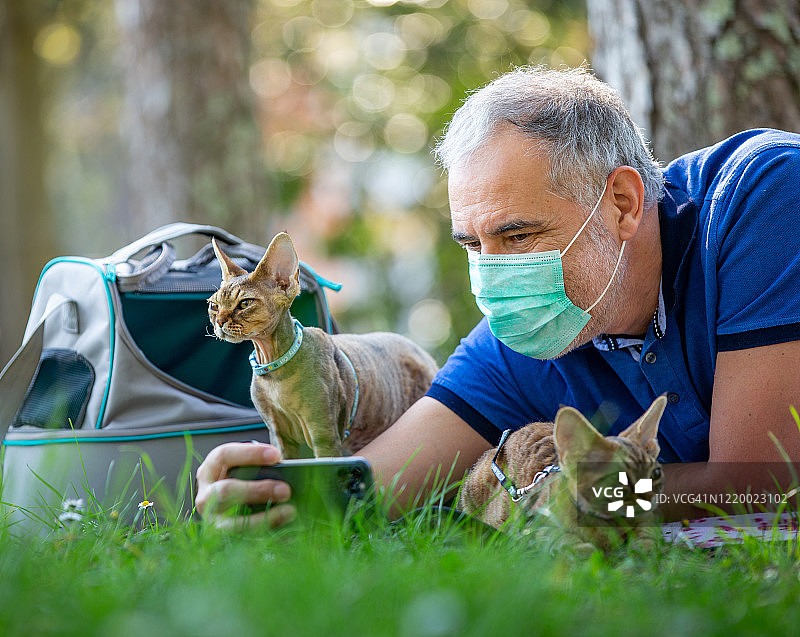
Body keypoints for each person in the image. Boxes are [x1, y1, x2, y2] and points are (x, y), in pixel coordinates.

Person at [195, 66, 800, 528]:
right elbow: (369, 489)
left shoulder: (764, 198)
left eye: (518, 234)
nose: (493, 274)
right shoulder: (529, 334)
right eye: (473, 244)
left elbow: (764, 484)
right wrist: (265, 500)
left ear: (622, 203)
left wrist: (581, 492)